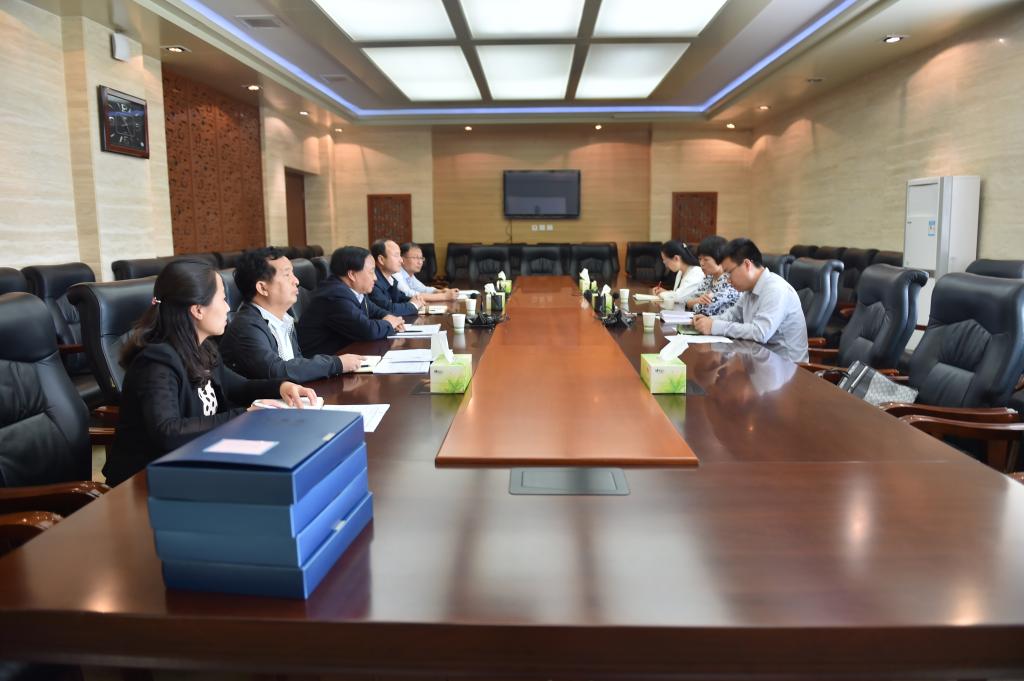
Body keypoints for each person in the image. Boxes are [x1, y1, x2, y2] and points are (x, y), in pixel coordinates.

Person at [104, 259, 317, 486]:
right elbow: (169, 431)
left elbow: (239, 387)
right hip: (147, 482)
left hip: (196, 462)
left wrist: (281, 386)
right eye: (223, 299)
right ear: (197, 310)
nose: (228, 308)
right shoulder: (156, 361)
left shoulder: (203, 348)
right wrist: (244, 417)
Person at [220, 247, 362, 381]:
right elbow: (277, 371)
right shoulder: (246, 326)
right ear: (262, 288)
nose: (296, 281)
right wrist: (336, 364)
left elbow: (296, 364)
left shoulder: (284, 319)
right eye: (287, 275)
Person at [693, 238, 809, 363]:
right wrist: (707, 321)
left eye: (729, 273)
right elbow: (732, 316)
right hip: (760, 359)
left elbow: (760, 333)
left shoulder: (776, 289)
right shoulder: (749, 289)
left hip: (787, 366)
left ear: (747, 265)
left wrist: (714, 326)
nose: (727, 279)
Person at [297, 246, 406, 357]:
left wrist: (390, 318)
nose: (375, 278)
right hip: (324, 362)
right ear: (352, 275)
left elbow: (375, 311)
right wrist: (389, 323)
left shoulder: (354, 290)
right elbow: (367, 330)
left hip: (345, 353)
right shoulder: (334, 296)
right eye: (371, 272)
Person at [683, 235, 740, 317]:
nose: (701, 263)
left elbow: (703, 310)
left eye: (706, 259)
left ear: (720, 258)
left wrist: (694, 302)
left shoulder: (730, 280)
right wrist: (697, 300)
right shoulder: (709, 277)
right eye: (700, 259)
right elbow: (687, 301)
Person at [369, 239, 422, 316]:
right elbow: (389, 309)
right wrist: (414, 305)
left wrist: (415, 300)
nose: (401, 260)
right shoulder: (373, 282)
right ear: (381, 259)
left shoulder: (391, 280)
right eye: (396, 255)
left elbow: (400, 298)